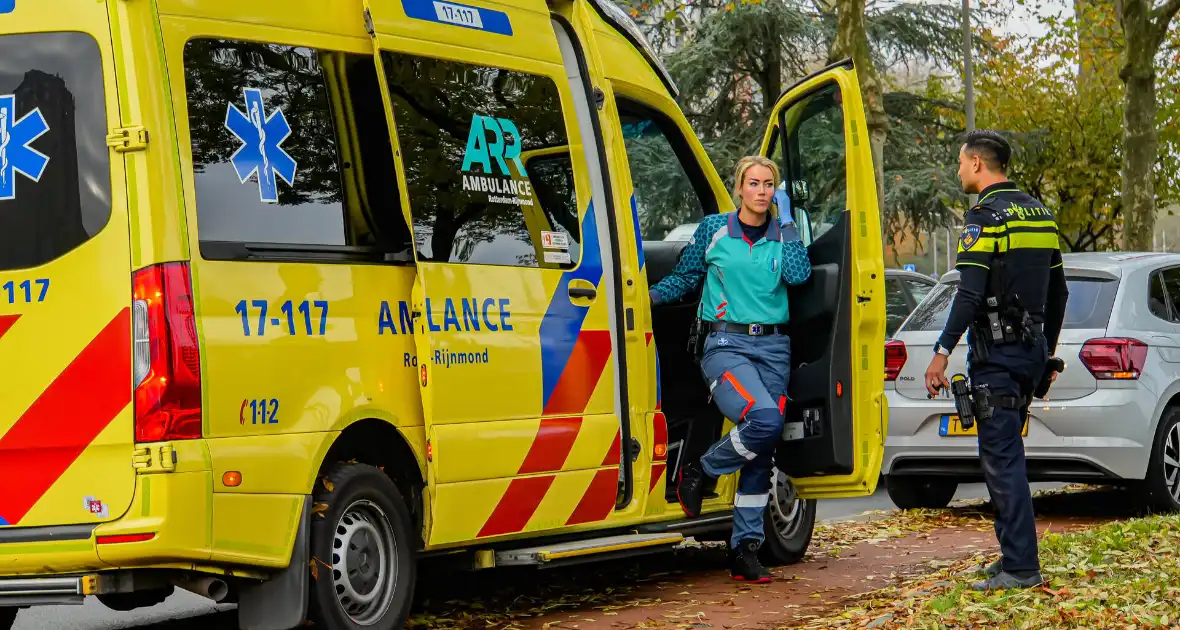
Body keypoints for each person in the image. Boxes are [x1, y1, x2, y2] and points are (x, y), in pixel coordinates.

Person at [649, 155, 812, 583]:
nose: (761, 191)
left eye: (768, 184)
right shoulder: (713, 229)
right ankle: (700, 470)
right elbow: (684, 279)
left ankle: (745, 550)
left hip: (775, 347)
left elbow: (799, 276)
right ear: (739, 188)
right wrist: (641, 300)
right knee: (763, 419)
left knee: (761, 450)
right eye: (753, 183)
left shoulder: (784, 233)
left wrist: (790, 221)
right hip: (726, 343)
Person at [923, 130, 1068, 592]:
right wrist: (1045, 350)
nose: (959, 170)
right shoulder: (1040, 213)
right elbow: (1059, 292)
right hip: (1028, 353)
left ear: (978, 164)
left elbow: (968, 293)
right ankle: (1012, 555)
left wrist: (941, 353)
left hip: (998, 355)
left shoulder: (984, 216)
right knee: (1008, 455)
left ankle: (1021, 567)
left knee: (1002, 460)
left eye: (961, 163)